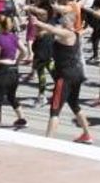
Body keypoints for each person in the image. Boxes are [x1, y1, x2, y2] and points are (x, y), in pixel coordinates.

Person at [31, 11, 93, 143]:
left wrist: (38, 22)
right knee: (75, 105)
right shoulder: (74, 34)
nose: (62, 20)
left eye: (65, 19)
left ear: (71, 22)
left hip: (65, 76)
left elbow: (54, 30)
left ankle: (48, 141)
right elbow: (54, 32)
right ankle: (87, 135)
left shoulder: (68, 34)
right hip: (76, 74)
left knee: (55, 110)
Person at [0, 15, 28, 128]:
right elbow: (24, 51)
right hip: (14, 71)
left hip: (3, 71)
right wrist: (17, 61)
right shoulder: (14, 37)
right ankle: (21, 118)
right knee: (11, 96)